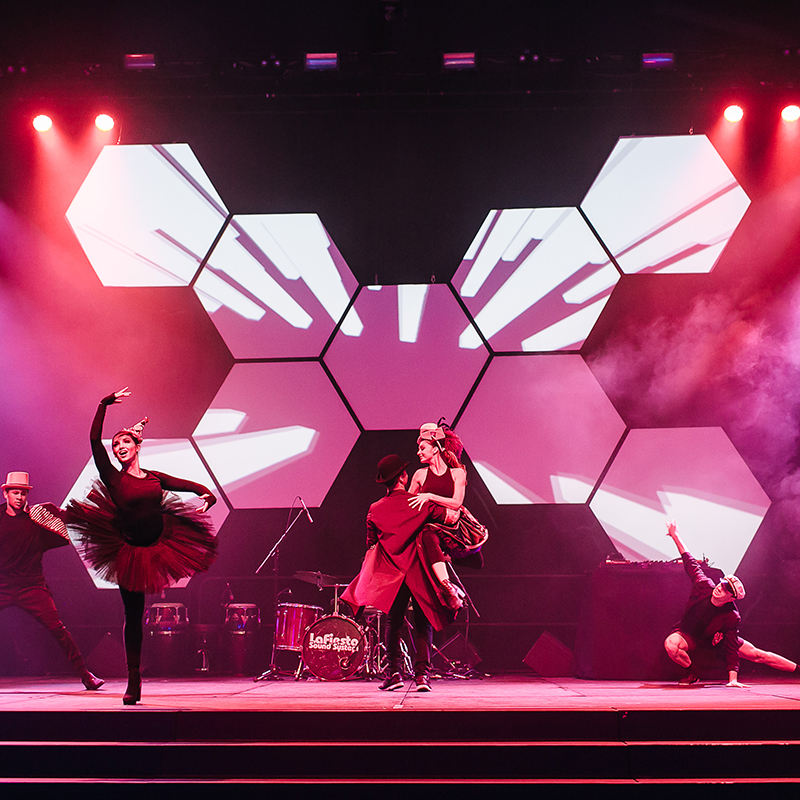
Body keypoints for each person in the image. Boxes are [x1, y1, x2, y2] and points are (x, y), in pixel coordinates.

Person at [67, 389, 217, 705]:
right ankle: (134, 678)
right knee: (133, 615)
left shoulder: (154, 478)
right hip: (129, 550)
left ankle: (152, 669)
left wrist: (208, 495)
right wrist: (102, 405)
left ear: (138, 446)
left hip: (160, 543)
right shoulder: (113, 478)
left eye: (125, 443)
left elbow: (193, 486)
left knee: (149, 608)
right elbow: (95, 442)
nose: (119, 448)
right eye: (116, 445)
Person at [342, 454, 464, 692]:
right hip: (417, 573)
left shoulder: (375, 509)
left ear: (385, 482)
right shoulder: (420, 503)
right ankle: (422, 677)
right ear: (403, 477)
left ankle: (394, 674)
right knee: (423, 624)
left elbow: (370, 544)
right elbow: (452, 516)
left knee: (393, 622)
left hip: (393, 576)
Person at [663, 519, 800, 687]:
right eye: (722, 583)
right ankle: (692, 672)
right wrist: (675, 536)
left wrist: (733, 679)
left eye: (727, 589)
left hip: (716, 640)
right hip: (688, 635)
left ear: (731, 598)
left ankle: (799, 670)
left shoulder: (731, 615)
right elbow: (690, 562)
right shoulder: (703, 584)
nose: (720, 587)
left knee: (759, 655)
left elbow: (732, 648)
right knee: (671, 645)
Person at [0, 471, 103, 690]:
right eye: (15, 493)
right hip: (3, 585)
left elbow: (68, 516)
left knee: (58, 629)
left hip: (31, 585)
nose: (19, 497)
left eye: (23, 493)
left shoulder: (38, 517)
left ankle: (86, 676)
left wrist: (93, 503)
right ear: (6, 493)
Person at [409, 421, 483, 583]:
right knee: (428, 535)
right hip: (429, 530)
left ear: (435, 449)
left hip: (452, 528)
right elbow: (408, 505)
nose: (418, 453)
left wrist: (429, 496)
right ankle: (446, 585)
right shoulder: (419, 475)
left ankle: (445, 564)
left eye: (422, 449)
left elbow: (456, 503)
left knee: (476, 561)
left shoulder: (457, 473)